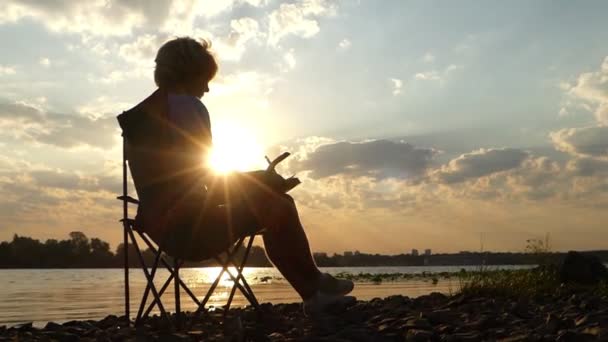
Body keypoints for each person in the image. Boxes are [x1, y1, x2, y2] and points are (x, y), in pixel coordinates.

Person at [119, 37, 354, 314]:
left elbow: (181, 180)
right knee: (278, 204)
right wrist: (259, 182)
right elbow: (204, 179)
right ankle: (316, 287)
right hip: (191, 230)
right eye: (205, 79)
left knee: (272, 201)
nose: (207, 88)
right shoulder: (187, 107)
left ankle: (315, 292)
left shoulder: (143, 117)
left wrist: (253, 182)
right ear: (191, 73)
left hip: (162, 230)